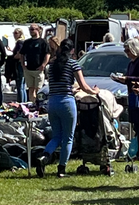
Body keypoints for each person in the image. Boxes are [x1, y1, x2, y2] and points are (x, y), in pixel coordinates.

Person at [36, 39, 98, 178]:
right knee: (68, 137)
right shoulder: (73, 64)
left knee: (56, 135)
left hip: (52, 102)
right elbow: (83, 85)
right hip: (66, 102)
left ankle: (44, 157)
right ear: (72, 51)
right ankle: (61, 169)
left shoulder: (52, 66)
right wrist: (95, 92)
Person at [112, 38, 139, 160]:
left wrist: (127, 79)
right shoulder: (131, 63)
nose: (126, 53)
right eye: (125, 50)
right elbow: (131, 80)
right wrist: (121, 79)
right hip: (133, 96)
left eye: (128, 50)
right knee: (136, 125)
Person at [20, 24, 49, 101]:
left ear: (38, 30)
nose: (31, 31)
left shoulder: (43, 42)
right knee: (30, 88)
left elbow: (47, 54)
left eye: (32, 29)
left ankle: (38, 104)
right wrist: (22, 64)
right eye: (30, 29)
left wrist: (43, 65)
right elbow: (22, 54)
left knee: (38, 89)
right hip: (28, 69)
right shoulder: (27, 42)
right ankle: (32, 104)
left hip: (38, 69)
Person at [10, 28, 27, 102]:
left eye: (16, 33)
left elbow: (20, 54)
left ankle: (21, 102)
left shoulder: (19, 42)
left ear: (20, 33)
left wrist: (14, 56)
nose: (14, 34)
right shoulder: (24, 42)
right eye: (13, 33)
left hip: (19, 64)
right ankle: (24, 102)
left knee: (20, 85)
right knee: (23, 86)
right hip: (24, 65)